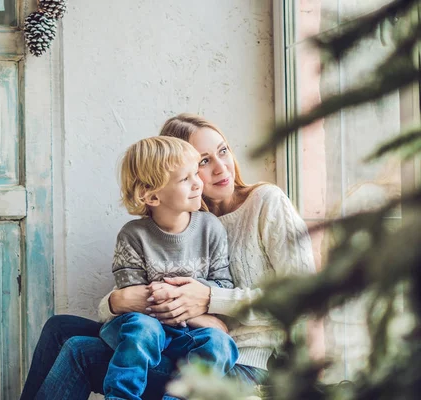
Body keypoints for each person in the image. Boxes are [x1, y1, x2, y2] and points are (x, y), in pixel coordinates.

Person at [19, 113, 316, 400]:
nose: (221, 168)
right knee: (59, 328)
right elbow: (139, 284)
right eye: (203, 161)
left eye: (223, 151)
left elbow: (306, 298)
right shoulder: (183, 216)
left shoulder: (266, 202)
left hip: (244, 360)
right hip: (178, 339)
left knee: (79, 351)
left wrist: (209, 300)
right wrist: (114, 302)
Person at [100, 136, 237, 400]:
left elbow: (222, 285)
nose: (198, 183)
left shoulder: (210, 228)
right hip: (141, 326)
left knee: (220, 343)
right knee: (143, 329)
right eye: (186, 179)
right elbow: (133, 297)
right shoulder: (133, 235)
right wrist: (169, 299)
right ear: (151, 196)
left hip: (188, 333)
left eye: (195, 173)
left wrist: (184, 302)